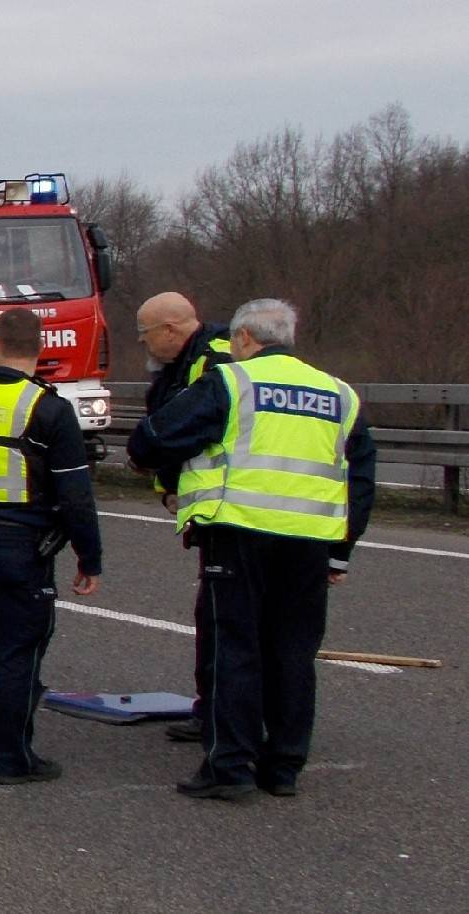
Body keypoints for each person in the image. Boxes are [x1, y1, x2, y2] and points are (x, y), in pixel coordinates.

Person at [127, 298, 374, 801]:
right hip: (309, 541)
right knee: (293, 652)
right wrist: (341, 551)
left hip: (238, 533)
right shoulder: (339, 394)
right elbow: (362, 478)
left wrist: (154, 464)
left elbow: (154, 437)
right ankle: (283, 766)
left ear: (242, 339)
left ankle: (230, 766)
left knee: (235, 649)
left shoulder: (231, 382)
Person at [0, 308, 102, 784]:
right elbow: (75, 494)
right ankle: (13, 760)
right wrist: (90, 558)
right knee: (19, 651)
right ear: (40, 345)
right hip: (21, 542)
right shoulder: (47, 408)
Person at [131, 291, 233, 744]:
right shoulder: (181, 366)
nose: (145, 345)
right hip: (214, 507)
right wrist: (168, 487)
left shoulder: (214, 363)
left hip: (231, 510)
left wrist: (149, 457)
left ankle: (222, 717)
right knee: (216, 617)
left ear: (170, 329)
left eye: (146, 335)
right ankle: (213, 708)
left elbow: (186, 427)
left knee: (225, 621)